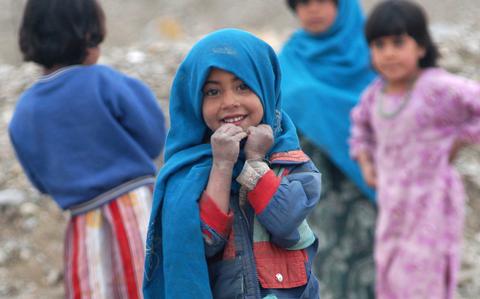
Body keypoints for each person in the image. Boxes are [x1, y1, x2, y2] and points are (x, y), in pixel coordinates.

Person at [143, 29, 322, 299]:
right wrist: (222, 165)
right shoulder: (187, 173)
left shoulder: (292, 163)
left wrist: (255, 161)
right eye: (213, 92)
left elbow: (285, 224)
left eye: (242, 86)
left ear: (265, 86)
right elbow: (205, 241)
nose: (229, 102)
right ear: (194, 101)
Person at [9, 0, 166, 298]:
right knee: (151, 288)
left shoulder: (24, 112)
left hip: (83, 226)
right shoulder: (107, 82)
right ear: (88, 36)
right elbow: (153, 137)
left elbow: (40, 182)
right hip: (137, 212)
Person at [349, 1, 480, 298]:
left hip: (433, 203)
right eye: (380, 44)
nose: (389, 53)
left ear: (421, 46)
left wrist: (460, 137)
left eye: (398, 42)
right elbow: (360, 131)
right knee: (391, 276)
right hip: (393, 205)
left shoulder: (436, 87)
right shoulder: (374, 96)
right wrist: (367, 165)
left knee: (425, 279)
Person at [279, 0, 377, 297]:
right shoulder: (290, 59)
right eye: (303, 3)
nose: (313, 10)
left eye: (322, 1)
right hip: (316, 199)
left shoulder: (377, 52)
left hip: (374, 188)